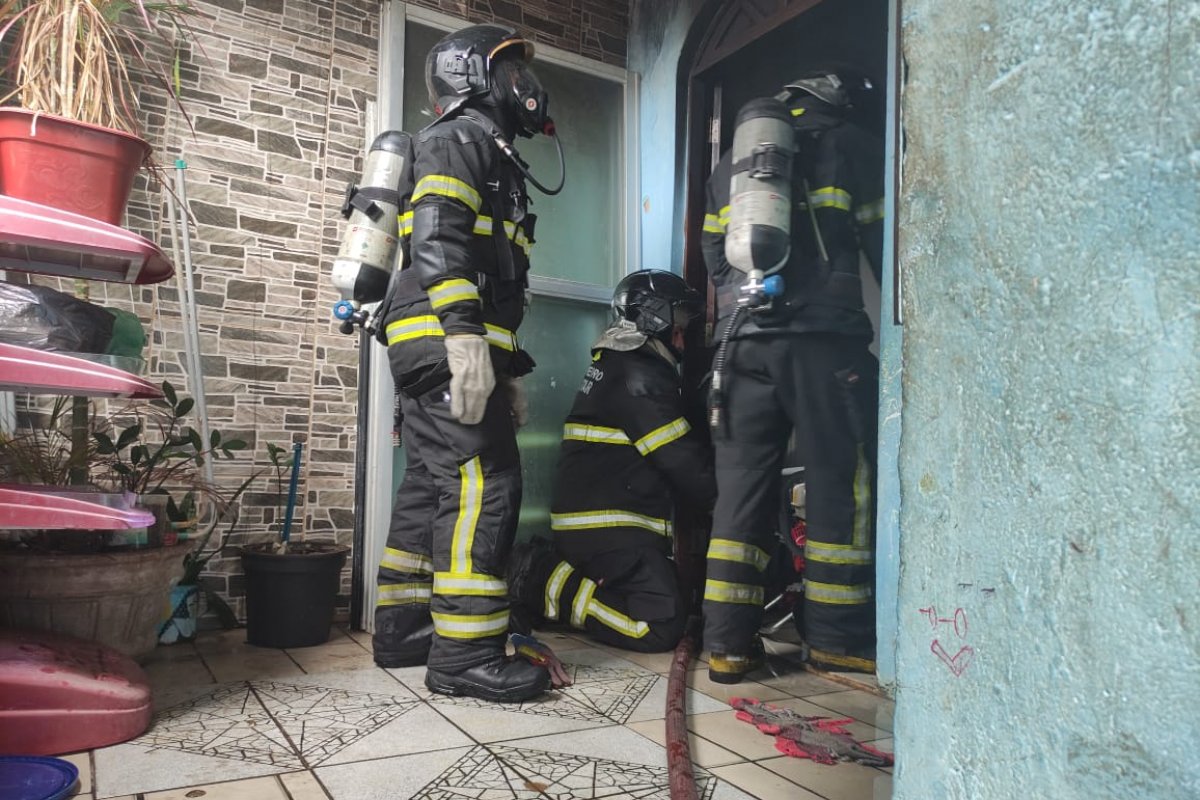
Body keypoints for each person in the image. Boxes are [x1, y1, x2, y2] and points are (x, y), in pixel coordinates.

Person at [371, 23, 559, 703]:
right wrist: (464, 339)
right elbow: (439, 239)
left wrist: (502, 369)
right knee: (487, 482)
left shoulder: (490, 154)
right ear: (475, 76)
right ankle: (465, 654)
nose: (527, 86)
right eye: (512, 71)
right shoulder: (460, 140)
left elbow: (490, 272)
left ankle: (405, 630)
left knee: (431, 483)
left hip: (433, 342)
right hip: (443, 338)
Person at [700, 69, 884, 682]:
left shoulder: (730, 165)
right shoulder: (851, 142)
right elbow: (886, 244)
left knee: (739, 496)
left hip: (740, 349)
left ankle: (727, 646)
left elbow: (713, 255)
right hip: (824, 346)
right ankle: (836, 638)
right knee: (839, 485)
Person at [506, 270, 716, 652]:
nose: (684, 336)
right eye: (680, 323)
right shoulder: (639, 375)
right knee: (658, 625)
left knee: (672, 601)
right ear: (656, 319)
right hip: (607, 531)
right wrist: (732, 502)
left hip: (605, 528)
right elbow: (682, 461)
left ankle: (554, 578)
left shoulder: (621, 365)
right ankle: (538, 579)